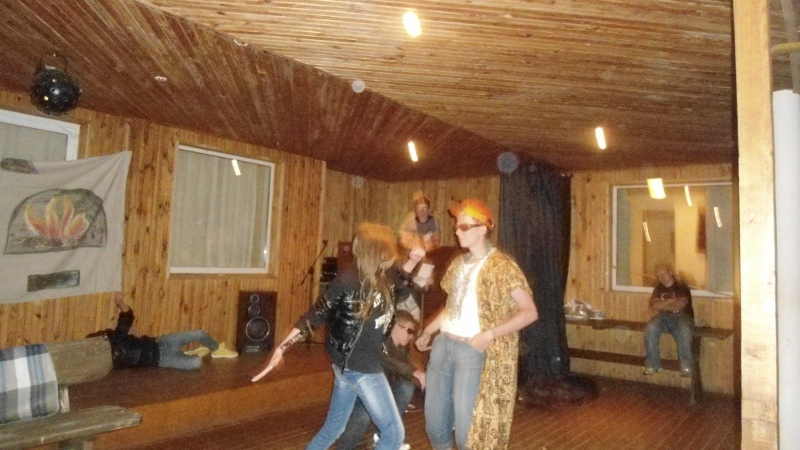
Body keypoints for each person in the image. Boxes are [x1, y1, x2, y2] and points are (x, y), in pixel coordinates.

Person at [252, 223, 425, 450]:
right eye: (388, 248)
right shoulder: (348, 280)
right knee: (393, 434)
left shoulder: (382, 276)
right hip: (360, 368)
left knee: (333, 429)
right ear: (378, 251)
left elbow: (399, 288)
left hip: (351, 367)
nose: (393, 253)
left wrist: (413, 260)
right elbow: (314, 316)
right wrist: (281, 348)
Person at [415, 198, 538, 450]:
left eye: (463, 227)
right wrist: (429, 330)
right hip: (443, 346)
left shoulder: (502, 266)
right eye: (457, 226)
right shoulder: (458, 264)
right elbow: (453, 305)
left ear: (482, 229)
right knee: (435, 425)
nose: (456, 231)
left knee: (467, 432)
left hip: (470, 351)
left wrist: (489, 334)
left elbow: (529, 312)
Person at [336, 309, 425, 450]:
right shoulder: (378, 340)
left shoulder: (400, 350)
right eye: (409, 331)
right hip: (361, 392)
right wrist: (414, 372)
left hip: (378, 392)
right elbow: (386, 360)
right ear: (395, 326)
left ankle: (383, 436)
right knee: (363, 414)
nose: (411, 336)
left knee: (405, 387)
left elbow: (403, 370)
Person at [87, 292, 236, 370]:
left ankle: (216, 349)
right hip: (161, 360)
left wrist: (119, 302)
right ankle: (191, 353)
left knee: (199, 333)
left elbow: (127, 315)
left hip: (161, 342)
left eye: (102, 338)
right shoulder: (109, 362)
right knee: (196, 363)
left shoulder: (116, 337)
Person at [644, 264, 695, 377]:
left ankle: (686, 367)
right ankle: (653, 365)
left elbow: (680, 305)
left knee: (684, 331)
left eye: (663, 273)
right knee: (650, 327)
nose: (661, 276)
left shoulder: (681, 287)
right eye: (658, 275)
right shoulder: (658, 288)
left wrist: (662, 304)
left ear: (670, 272)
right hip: (663, 316)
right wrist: (671, 300)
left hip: (682, 316)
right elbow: (654, 306)